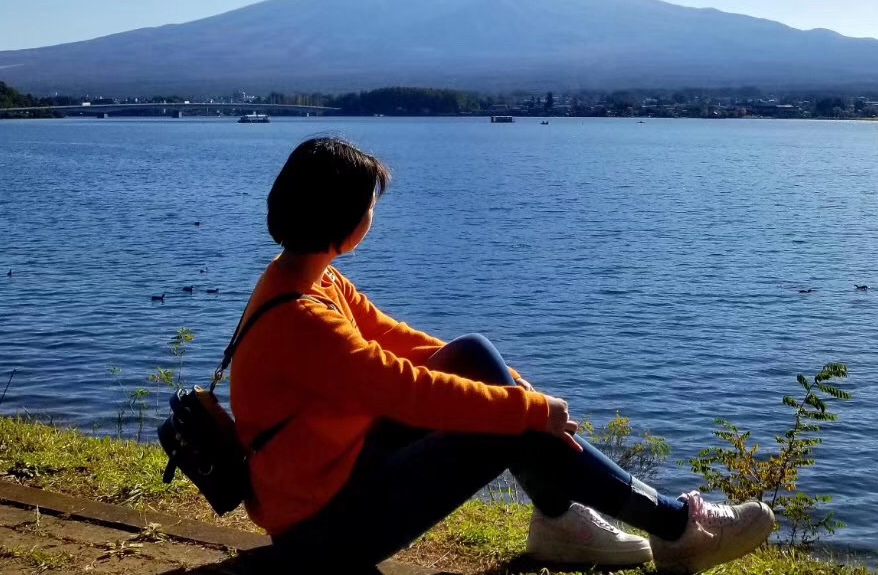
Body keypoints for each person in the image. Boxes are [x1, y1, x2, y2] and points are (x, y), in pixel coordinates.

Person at [230, 137, 775, 571]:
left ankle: (564, 522)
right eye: (370, 205)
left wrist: (513, 389)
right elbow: (405, 388)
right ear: (346, 218)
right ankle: (675, 527)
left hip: (325, 483)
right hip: (321, 535)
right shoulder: (303, 317)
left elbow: (401, 341)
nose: (373, 216)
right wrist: (527, 410)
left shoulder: (306, 280)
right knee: (504, 424)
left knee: (469, 353)